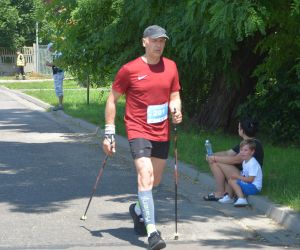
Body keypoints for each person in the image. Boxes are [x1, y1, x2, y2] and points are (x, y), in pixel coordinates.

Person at [102, 25, 182, 250]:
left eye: (162, 41)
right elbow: (112, 99)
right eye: (155, 40)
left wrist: (176, 109)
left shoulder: (171, 67)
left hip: (161, 131)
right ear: (144, 42)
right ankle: (152, 232)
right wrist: (109, 132)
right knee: (145, 176)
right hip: (138, 130)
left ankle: (137, 209)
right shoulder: (129, 69)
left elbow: (174, 95)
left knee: (155, 182)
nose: (159, 45)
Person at [203, 117, 264, 203]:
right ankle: (226, 193)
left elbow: (236, 160)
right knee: (214, 161)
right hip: (244, 175)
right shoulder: (247, 142)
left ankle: (222, 193)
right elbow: (228, 153)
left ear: (242, 131)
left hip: (249, 180)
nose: (238, 130)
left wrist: (214, 158)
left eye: (238, 128)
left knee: (215, 162)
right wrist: (212, 155)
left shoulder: (253, 144)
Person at [228, 139, 263, 207]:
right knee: (232, 179)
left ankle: (242, 199)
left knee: (233, 181)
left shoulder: (253, 163)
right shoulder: (245, 161)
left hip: (254, 188)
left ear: (252, 152)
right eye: (241, 150)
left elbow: (250, 180)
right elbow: (244, 175)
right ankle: (230, 197)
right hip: (249, 185)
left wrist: (238, 177)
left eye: (245, 150)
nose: (242, 152)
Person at [46, 42, 64, 111]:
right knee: (57, 88)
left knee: (59, 88)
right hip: (56, 72)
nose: (49, 50)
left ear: (52, 47)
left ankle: (60, 105)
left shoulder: (58, 53)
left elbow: (58, 63)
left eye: (50, 49)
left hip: (59, 72)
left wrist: (49, 64)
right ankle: (60, 104)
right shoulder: (56, 53)